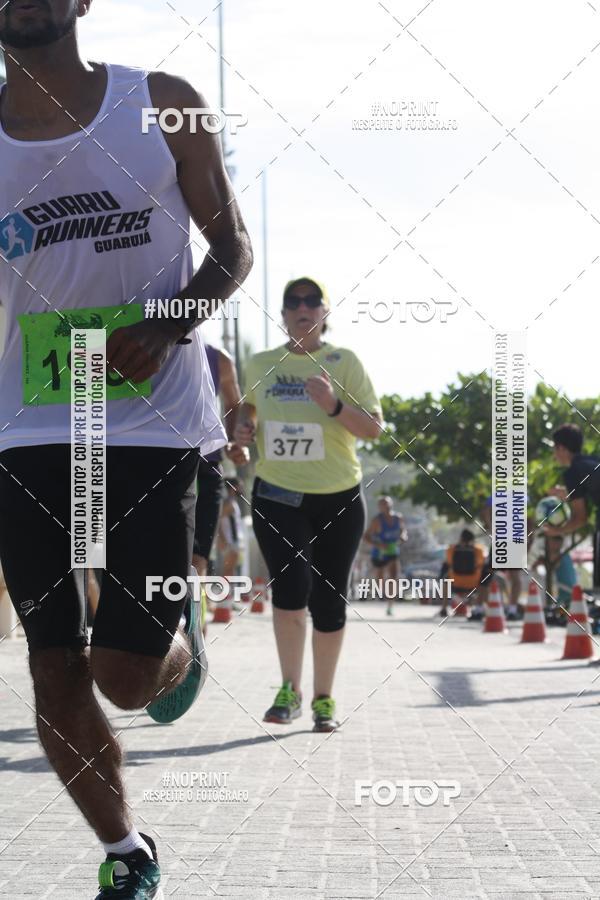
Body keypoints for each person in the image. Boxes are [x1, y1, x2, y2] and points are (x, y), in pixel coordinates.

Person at [0, 4, 252, 899]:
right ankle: (126, 851)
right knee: (53, 661)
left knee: (127, 679)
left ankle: (174, 643)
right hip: (28, 425)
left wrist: (171, 320)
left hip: (152, 422)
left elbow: (232, 250)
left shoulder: (165, 104)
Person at [235, 278, 382, 732]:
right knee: (290, 589)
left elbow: (374, 428)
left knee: (329, 599)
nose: (302, 308)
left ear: (324, 312)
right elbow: (245, 416)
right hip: (277, 494)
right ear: (282, 314)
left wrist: (334, 405)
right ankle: (289, 690)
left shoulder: (345, 362)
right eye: (293, 302)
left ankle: (323, 698)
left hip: (337, 496)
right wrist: (240, 437)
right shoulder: (260, 363)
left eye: (311, 301)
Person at [191, 345, 248, 630]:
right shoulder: (146, 339)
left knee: (197, 559)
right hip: (154, 462)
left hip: (205, 465)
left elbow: (234, 402)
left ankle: (194, 642)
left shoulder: (218, 358)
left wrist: (233, 441)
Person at [547, 424, 600, 590]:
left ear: (561, 448)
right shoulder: (592, 461)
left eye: (554, 449)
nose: (554, 455)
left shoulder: (572, 472)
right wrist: (566, 493)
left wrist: (557, 531)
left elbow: (581, 518)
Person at [364, 495, 407, 615]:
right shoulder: (377, 520)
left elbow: (403, 530)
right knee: (380, 580)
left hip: (392, 551)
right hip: (379, 553)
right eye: (383, 504)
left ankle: (390, 605)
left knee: (393, 577)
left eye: (387, 504)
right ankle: (383, 594)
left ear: (391, 504)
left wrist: (403, 536)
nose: (386, 506)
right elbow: (366, 537)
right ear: (379, 507)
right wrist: (378, 545)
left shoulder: (398, 517)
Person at [439, 530, 484, 618]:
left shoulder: (451, 549)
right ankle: (480, 607)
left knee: (445, 579)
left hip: (456, 582)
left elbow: (449, 562)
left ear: (460, 538)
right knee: (485, 579)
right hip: (473, 583)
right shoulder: (478, 550)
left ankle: (444, 608)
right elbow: (480, 564)